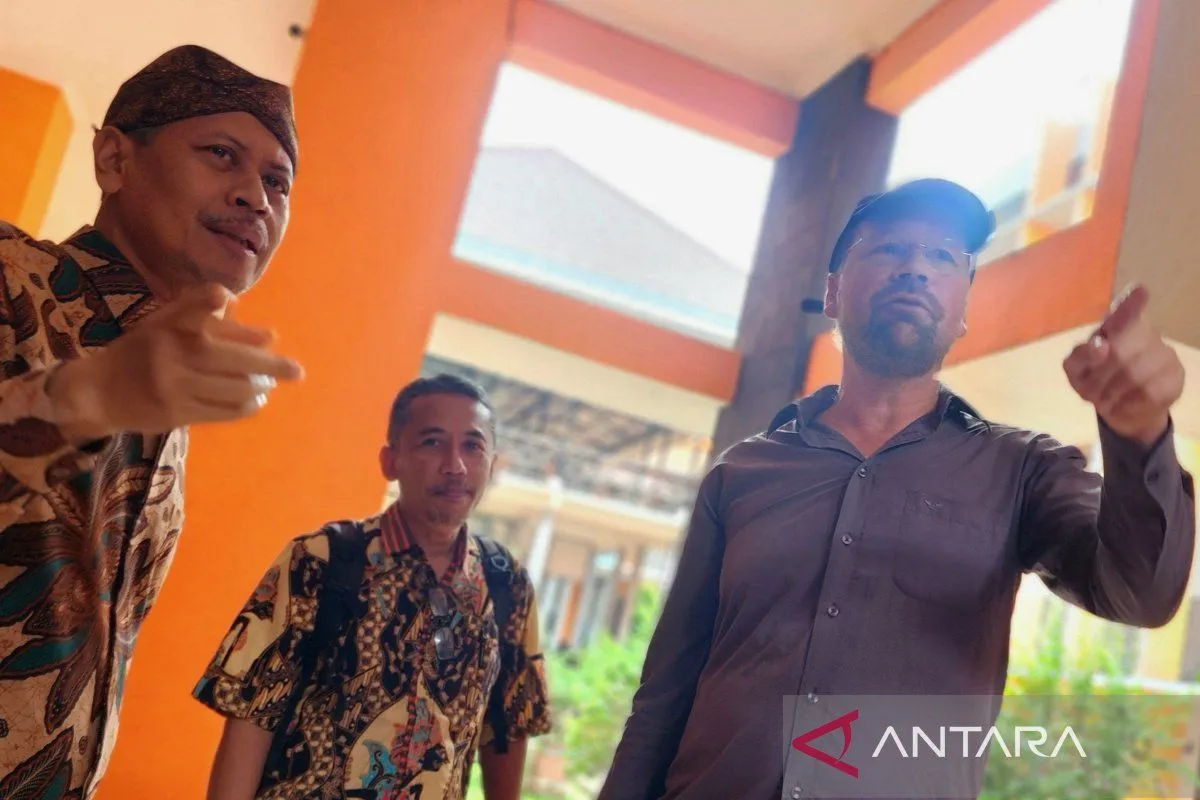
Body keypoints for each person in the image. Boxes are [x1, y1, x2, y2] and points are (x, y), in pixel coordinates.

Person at [598, 178, 1195, 800]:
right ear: (833, 291)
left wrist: (1140, 437)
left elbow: (1142, 596)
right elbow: (664, 695)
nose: (915, 268)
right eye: (887, 249)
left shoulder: (1023, 470)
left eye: (942, 256)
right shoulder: (741, 473)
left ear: (963, 309)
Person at [0, 45, 305, 797]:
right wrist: (84, 398)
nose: (255, 197)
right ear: (114, 159)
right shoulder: (10, 278)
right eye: (221, 154)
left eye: (277, 181)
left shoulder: (171, 412)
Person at [195, 374, 551, 800]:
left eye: (473, 446)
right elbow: (252, 717)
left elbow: (508, 727)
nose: (455, 465)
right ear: (390, 460)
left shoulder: (506, 582)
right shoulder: (321, 560)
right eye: (432, 442)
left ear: (491, 466)